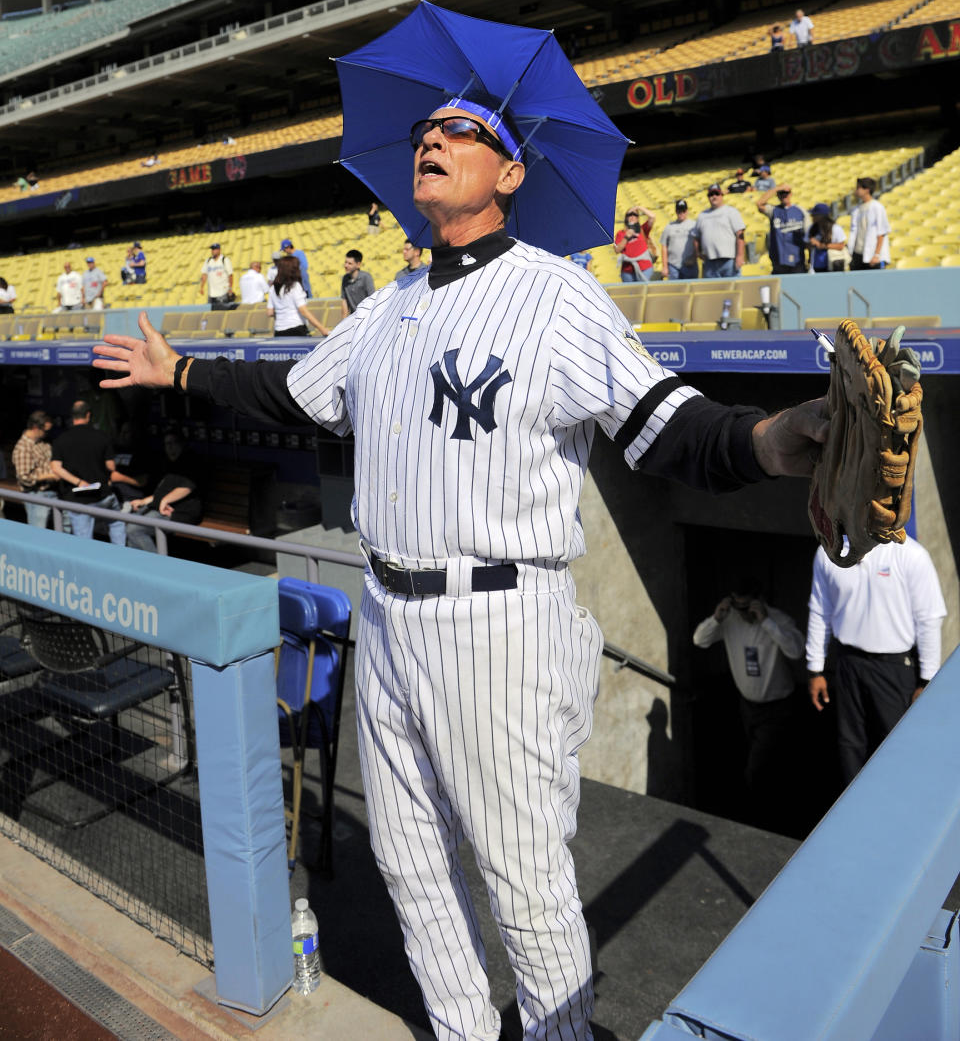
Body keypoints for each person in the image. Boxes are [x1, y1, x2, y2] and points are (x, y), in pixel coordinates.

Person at [93, 87, 829, 1041]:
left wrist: (772, 440)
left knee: (523, 882)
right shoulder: (389, 305)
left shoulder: (555, 291)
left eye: (460, 132)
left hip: (500, 618)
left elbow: (665, 423)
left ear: (510, 173)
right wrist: (183, 371)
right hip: (390, 612)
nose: (431, 140)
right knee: (409, 867)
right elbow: (296, 391)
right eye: (425, 132)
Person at [807, 536, 946, 786]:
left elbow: (929, 619)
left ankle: (897, 805)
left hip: (893, 667)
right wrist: (815, 669)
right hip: (848, 662)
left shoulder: (911, 555)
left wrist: (927, 680)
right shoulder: (830, 552)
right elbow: (820, 610)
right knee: (850, 743)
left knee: (895, 742)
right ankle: (853, 811)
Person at [693, 587, 804, 830]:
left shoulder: (777, 619)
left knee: (759, 768)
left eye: (746, 607)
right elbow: (699, 640)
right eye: (737, 606)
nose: (741, 612)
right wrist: (717, 617)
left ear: (759, 600)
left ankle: (763, 822)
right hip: (748, 706)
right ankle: (764, 814)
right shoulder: (729, 619)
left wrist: (766, 622)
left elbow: (796, 650)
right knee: (763, 765)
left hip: (778, 709)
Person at [49, 401, 139, 544]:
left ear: (73, 417)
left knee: (84, 542)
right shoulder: (102, 436)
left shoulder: (61, 439)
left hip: (77, 497)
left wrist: (78, 482)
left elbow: (55, 467)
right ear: (88, 415)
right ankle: (120, 556)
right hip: (102, 495)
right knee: (117, 524)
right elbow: (111, 467)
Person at [125, 431, 204, 553]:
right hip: (162, 508)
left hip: (181, 512)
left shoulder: (191, 461)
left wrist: (165, 500)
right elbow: (161, 493)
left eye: (174, 443)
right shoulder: (169, 464)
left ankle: (157, 566)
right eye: (167, 444)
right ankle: (136, 564)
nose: (170, 447)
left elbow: (187, 487)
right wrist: (143, 501)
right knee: (130, 522)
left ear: (182, 444)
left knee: (134, 529)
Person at [12, 411, 58, 529]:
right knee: (39, 533)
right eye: (45, 430)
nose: (47, 433)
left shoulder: (43, 442)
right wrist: (49, 475)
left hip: (52, 491)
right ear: (35, 428)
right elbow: (24, 477)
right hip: (37, 494)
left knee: (59, 531)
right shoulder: (23, 447)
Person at [267, 257, 330, 338]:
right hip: (296, 329)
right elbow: (303, 311)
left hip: (279, 331)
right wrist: (322, 329)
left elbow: (270, 312)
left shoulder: (273, 288)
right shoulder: (295, 286)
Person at [692, 185, 745, 278]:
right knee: (713, 291)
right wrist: (698, 253)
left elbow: (740, 234)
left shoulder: (731, 211)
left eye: (716, 193)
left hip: (729, 261)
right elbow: (696, 236)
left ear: (721, 195)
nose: (714, 196)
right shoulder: (702, 215)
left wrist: (740, 256)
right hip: (709, 262)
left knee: (733, 290)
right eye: (711, 194)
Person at [756, 186, 810, 274]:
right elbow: (759, 204)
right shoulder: (774, 210)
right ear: (777, 195)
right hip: (778, 258)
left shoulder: (800, 211)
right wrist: (776, 189)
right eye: (781, 193)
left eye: (786, 193)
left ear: (791, 194)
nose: (784, 196)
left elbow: (808, 235)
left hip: (797, 259)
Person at [849, 176, 890, 270]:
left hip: (872, 255)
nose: (856, 190)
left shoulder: (877, 207)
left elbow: (882, 232)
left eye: (859, 187)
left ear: (867, 190)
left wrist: (876, 255)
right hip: (857, 254)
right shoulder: (856, 210)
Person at [614, 206, 657, 282]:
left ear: (638, 218)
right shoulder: (621, 233)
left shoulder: (642, 229)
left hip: (645, 267)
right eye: (630, 214)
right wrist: (626, 237)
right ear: (626, 218)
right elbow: (617, 250)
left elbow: (652, 216)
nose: (632, 217)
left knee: (644, 292)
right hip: (627, 270)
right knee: (630, 293)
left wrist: (638, 208)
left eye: (635, 215)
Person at [658, 200, 699, 280]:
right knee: (675, 291)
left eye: (683, 211)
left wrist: (694, 258)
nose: (681, 213)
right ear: (676, 211)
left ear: (687, 211)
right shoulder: (669, 227)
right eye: (679, 211)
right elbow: (664, 246)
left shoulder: (693, 225)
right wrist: (665, 267)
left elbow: (698, 243)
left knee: (691, 290)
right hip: (673, 265)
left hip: (689, 264)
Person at [807, 203, 847, 272]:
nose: (812, 217)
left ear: (821, 216)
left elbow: (841, 246)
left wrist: (821, 245)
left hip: (832, 265)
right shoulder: (812, 228)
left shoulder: (835, 228)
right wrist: (811, 243)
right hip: (816, 265)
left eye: (814, 215)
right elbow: (807, 244)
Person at [199, 243, 234, 308]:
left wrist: (230, 288)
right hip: (211, 293)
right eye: (212, 249)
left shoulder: (224, 260)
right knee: (212, 313)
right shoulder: (208, 260)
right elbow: (204, 274)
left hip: (222, 292)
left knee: (222, 311)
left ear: (219, 250)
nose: (213, 251)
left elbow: (230, 275)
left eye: (215, 249)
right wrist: (202, 287)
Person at [340, 249, 374, 317]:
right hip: (353, 318)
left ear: (358, 264)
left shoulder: (366, 277)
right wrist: (343, 322)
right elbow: (344, 301)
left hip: (367, 316)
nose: (346, 265)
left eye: (350, 263)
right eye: (345, 262)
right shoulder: (345, 278)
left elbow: (372, 299)